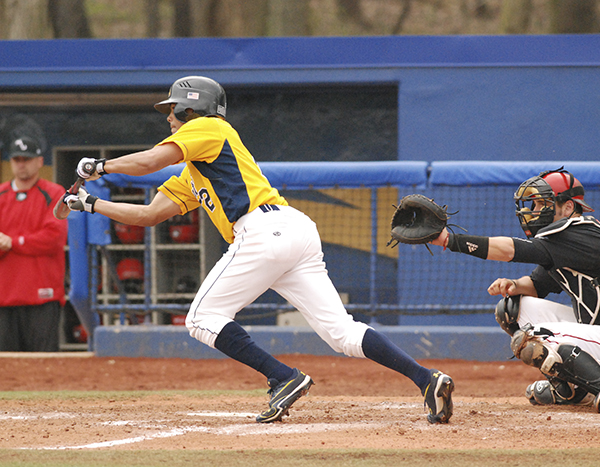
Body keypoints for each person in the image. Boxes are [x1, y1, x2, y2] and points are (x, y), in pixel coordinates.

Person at [65, 75, 454, 424]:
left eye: (173, 109)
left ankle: (283, 376)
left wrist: (100, 167)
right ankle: (426, 379)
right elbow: (149, 214)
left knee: (201, 318)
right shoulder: (195, 170)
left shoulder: (208, 127)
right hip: (292, 231)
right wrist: (91, 204)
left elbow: (152, 160)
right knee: (342, 332)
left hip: (263, 230)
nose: (169, 117)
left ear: (191, 107)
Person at [430, 167, 600, 413]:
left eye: (542, 204)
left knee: (533, 337)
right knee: (512, 308)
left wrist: (450, 240)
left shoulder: (579, 233)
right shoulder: (565, 240)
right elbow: (537, 285)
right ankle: (572, 390)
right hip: (599, 335)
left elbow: (510, 251)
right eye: (534, 205)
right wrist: (514, 285)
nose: (534, 211)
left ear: (568, 207)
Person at [0, 136, 68, 351]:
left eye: (27, 159)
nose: (21, 164)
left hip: (42, 298)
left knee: (44, 363)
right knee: (7, 369)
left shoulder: (54, 193)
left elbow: (54, 237)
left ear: (39, 161)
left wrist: (14, 242)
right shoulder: (1, 195)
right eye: (17, 159)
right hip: (4, 297)